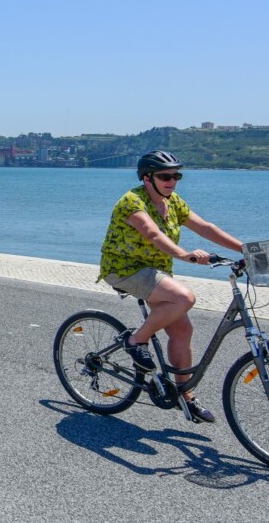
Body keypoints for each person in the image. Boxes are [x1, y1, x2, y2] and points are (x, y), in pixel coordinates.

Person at [99, 150, 243, 424]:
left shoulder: (173, 202)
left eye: (176, 176)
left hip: (156, 271)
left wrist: (246, 249)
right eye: (165, 176)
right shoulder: (132, 201)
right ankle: (135, 341)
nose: (172, 181)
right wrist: (184, 254)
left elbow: (206, 228)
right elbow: (152, 233)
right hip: (124, 268)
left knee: (183, 329)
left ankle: (184, 394)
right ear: (147, 178)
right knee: (184, 297)